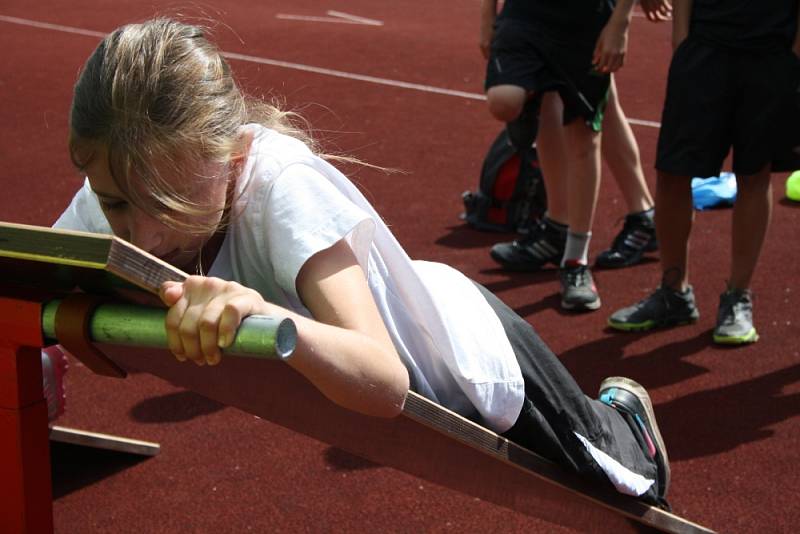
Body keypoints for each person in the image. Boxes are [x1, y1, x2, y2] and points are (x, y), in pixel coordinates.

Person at [53, 18, 670, 507]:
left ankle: (628, 418)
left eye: (170, 203)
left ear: (231, 152)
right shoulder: (115, 192)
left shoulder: (279, 186)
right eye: (113, 203)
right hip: (411, 307)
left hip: (467, 350)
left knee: (616, 476)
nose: (138, 231)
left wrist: (266, 316)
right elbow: (33, 278)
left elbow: (384, 377)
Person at [608, 0, 800, 345]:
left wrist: (794, 53)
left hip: (772, 52)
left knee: (754, 174)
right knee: (672, 172)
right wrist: (682, 41)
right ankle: (674, 293)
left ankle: (737, 297)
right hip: (703, 48)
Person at [480, 0, 647, 313]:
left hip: (587, 18)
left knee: (584, 134)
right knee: (504, 100)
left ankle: (575, 259)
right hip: (526, 14)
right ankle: (531, 95)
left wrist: (620, 21)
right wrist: (487, 16)